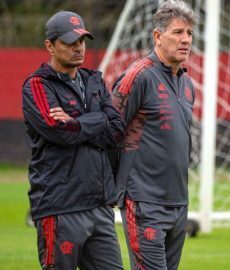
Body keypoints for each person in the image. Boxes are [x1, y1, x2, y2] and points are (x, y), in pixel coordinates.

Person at [22, 10, 125, 269]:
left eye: (81, 41)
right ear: (50, 46)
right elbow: (60, 132)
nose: (78, 48)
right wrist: (99, 117)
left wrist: (79, 122)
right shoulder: (37, 85)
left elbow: (117, 131)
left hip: (100, 206)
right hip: (59, 207)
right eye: (69, 42)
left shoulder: (95, 81)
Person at [111, 1, 197, 269]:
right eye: (178, 32)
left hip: (178, 202)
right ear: (157, 37)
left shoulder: (187, 83)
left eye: (189, 33)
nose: (186, 40)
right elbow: (109, 131)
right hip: (143, 201)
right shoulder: (138, 75)